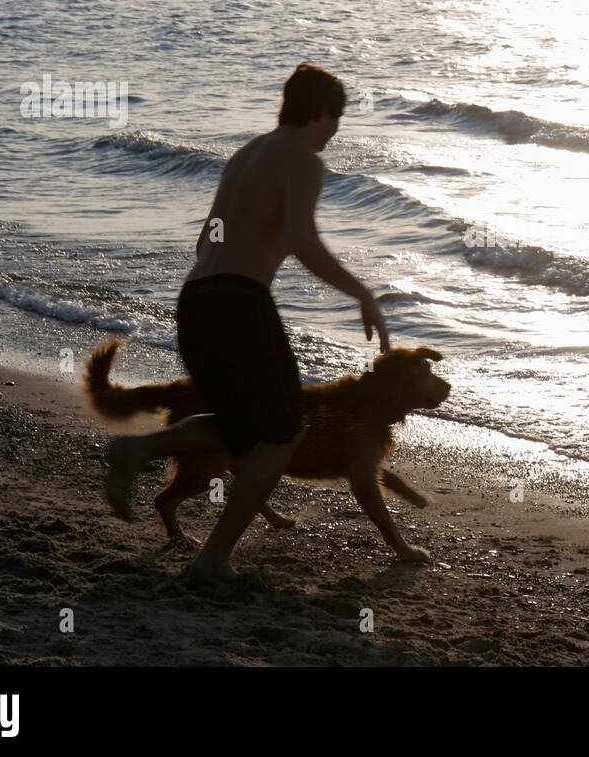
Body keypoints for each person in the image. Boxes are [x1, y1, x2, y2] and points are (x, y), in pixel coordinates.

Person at [104, 63, 390, 582]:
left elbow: (205, 241)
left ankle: (137, 448)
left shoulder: (244, 155)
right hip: (239, 303)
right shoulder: (303, 160)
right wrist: (362, 293)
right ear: (322, 113)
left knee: (240, 431)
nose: (336, 131)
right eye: (337, 119)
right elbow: (304, 239)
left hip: (196, 300)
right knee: (282, 436)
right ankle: (212, 560)